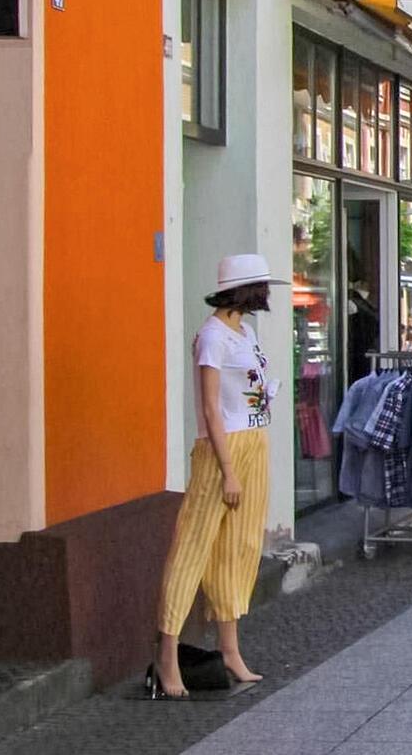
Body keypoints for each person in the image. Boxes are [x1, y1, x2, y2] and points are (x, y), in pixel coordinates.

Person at [152, 254, 276, 698]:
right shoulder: (212, 336)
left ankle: (229, 649)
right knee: (192, 547)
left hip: (254, 441)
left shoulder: (245, 332)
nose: (267, 294)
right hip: (221, 448)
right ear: (244, 289)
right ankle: (167, 656)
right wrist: (227, 470)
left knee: (239, 548)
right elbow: (209, 407)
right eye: (262, 286)